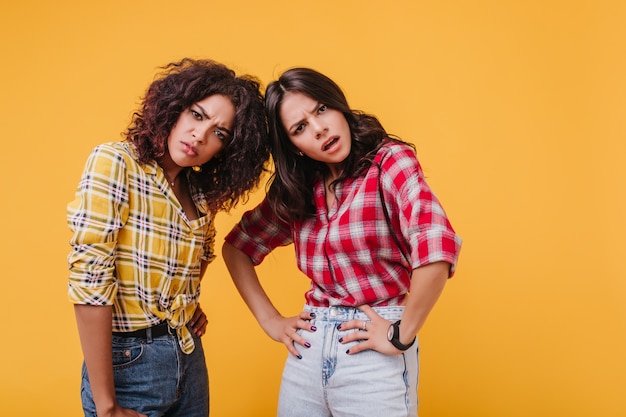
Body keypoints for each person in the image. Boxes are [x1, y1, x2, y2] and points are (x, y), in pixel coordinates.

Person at [222, 67, 462, 417]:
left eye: (321, 109)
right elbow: (238, 247)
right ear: (294, 146)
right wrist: (271, 321)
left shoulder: (388, 162)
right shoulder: (299, 189)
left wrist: (400, 334)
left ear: (338, 105)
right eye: (300, 128)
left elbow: (436, 243)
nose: (319, 129)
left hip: (372, 350)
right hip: (308, 347)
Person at [67, 58, 269, 417]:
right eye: (197, 115)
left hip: (189, 359)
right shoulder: (117, 163)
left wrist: (184, 305)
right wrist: (107, 405)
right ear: (174, 108)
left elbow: (200, 255)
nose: (200, 136)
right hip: (129, 362)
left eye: (220, 134)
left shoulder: (200, 194)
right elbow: (90, 281)